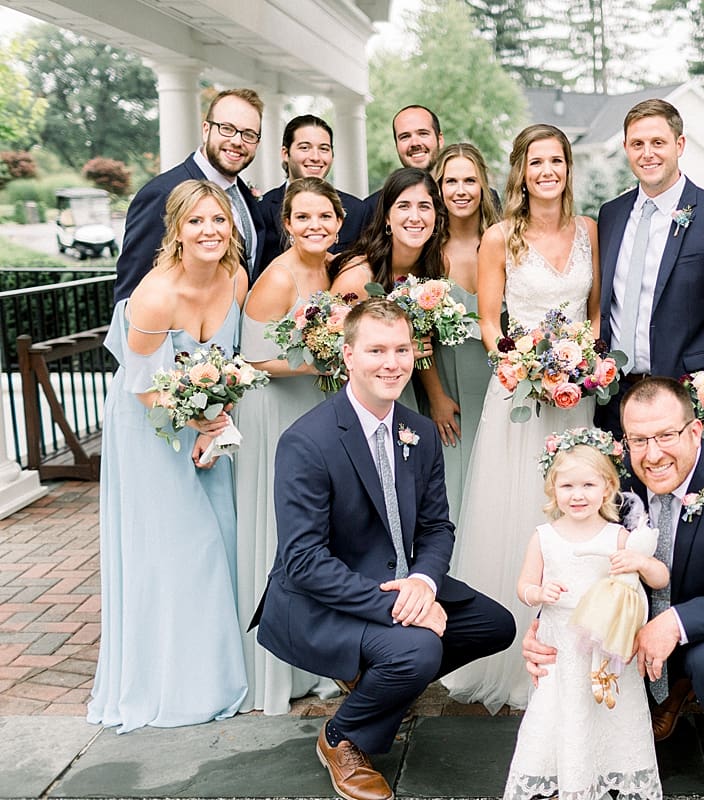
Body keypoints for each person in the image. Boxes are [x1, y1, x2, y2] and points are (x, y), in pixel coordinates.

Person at [254, 298, 516, 800]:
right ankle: (342, 737)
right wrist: (402, 608)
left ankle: (377, 687)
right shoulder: (307, 442)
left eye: (402, 349)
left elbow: (438, 527)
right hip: (322, 600)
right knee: (418, 650)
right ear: (347, 356)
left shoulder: (417, 430)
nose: (391, 363)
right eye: (376, 350)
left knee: (494, 624)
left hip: (398, 581)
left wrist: (423, 583)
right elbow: (304, 562)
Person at [524, 378, 704, 800]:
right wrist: (545, 626)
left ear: (694, 432)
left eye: (666, 436)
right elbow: (579, 551)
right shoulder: (612, 481)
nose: (653, 454)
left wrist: (674, 623)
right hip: (639, 614)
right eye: (638, 440)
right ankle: (667, 691)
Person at [441, 123, 601, 712]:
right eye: (536, 162)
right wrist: (524, 368)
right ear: (521, 171)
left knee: (578, 507)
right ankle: (512, 657)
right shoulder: (499, 238)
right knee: (519, 508)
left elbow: (593, 313)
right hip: (521, 393)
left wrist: (579, 368)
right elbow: (488, 320)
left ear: (567, 168)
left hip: (577, 393)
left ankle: (579, 647)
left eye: (556, 161)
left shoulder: (588, 231)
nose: (547, 172)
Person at [89, 179, 249, 731]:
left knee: (222, 538)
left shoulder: (236, 278)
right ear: (176, 232)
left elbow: (229, 362)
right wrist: (199, 423)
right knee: (182, 550)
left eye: (219, 221)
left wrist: (216, 420)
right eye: (196, 222)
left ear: (231, 228)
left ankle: (221, 669)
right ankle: (175, 684)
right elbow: (142, 386)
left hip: (208, 424)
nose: (209, 231)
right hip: (149, 429)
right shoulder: (156, 293)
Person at [504, 428, 666, 800]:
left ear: (608, 488)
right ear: (553, 490)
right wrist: (538, 592)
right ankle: (566, 776)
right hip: (560, 645)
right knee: (558, 712)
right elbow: (524, 585)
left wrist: (639, 560)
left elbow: (658, 579)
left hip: (604, 648)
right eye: (567, 487)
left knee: (610, 714)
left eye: (588, 485)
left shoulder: (616, 536)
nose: (578, 495)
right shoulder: (544, 536)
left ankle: (607, 771)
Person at [234, 177, 345, 714]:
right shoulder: (278, 278)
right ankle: (275, 669)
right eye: (303, 218)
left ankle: (315, 659)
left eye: (324, 216)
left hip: (310, 407)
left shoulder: (328, 268)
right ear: (287, 224)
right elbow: (252, 361)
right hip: (276, 410)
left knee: (315, 531)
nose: (315, 226)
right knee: (285, 528)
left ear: (339, 221)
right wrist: (321, 361)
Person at [596, 99, 704, 435]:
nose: (647, 153)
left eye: (658, 143)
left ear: (679, 145)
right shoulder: (611, 215)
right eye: (637, 144)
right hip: (614, 397)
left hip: (684, 399)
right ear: (625, 148)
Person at [115, 89, 265, 302]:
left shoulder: (242, 193)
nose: (237, 141)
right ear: (206, 130)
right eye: (227, 128)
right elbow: (131, 294)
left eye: (249, 134)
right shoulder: (162, 194)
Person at [330, 167, 445, 411]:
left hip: (405, 389)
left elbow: (423, 339)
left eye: (424, 206)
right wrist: (400, 352)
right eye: (403, 206)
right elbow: (334, 356)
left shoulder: (437, 265)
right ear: (386, 218)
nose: (415, 217)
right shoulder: (357, 278)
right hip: (357, 397)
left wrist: (437, 398)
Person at [425, 144, 499, 523]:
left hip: (497, 380)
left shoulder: (503, 239)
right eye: (450, 181)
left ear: (484, 185)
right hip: (446, 387)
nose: (460, 190)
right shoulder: (427, 248)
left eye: (469, 180)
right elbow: (417, 331)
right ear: (437, 188)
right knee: (453, 486)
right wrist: (436, 397)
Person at [256, 115, 367, 274]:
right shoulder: (262, 209)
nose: (315, 157)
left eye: (324, 149)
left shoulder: (357, 210)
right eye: (304, 147)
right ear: (285, 154)